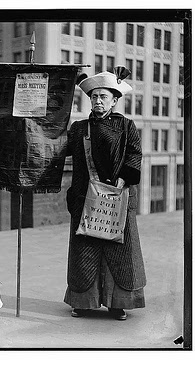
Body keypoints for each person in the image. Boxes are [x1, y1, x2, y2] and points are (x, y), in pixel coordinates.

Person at [64, 68, 146, 320]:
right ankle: (83, 302)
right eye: (94, 97)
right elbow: (60, 150)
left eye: (103, 97)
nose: (98, 101)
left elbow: (134, 154)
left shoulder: (126, 126)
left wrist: (123, 179)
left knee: (118, 251)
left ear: (114, 100)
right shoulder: (79, 129)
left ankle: (117, 304)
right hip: (84, 197)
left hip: (117, 197)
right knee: (85, 249)